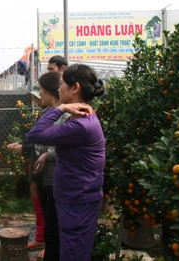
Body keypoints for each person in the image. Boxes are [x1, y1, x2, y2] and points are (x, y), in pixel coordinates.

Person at [27, 64, 105, 261]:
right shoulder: (78, 118)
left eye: (62, 84)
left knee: (73, 254)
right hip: (75, 198)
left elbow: (35, 134)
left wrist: (60, 108)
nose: (58, 88)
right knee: (72, 250)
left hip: (78, 200)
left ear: (75, 88)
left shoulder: (80, 125)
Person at [8, 73, 68, 260]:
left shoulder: (67, 115)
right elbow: (35, 142)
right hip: (43, 177)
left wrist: (47, 154)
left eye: (41, 89)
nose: (39, 94)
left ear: (51, 90)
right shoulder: (47, 113)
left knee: (55, 228)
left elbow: (69, 146)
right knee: (50, 225)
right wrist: (34, 178)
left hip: (57, 180)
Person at [7, 83, 46, 251]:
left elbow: (44, 144)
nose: (35, 99)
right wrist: (22, 143)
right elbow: (35, 138)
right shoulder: (44, 114)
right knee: (39, 205)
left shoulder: (52, 114)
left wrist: (24, 148)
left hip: (43, 169)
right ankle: (41, 238)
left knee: (44, 207)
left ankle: (44, 240)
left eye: (38, 96)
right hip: (37, 165)